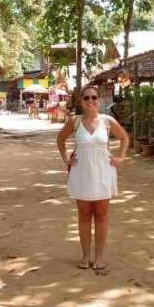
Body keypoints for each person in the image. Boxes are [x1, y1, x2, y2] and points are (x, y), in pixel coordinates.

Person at [56, 86, 129, 270]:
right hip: (81, 172)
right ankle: (85, 256)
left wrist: (121, 157)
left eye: (94, 97)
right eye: (87, 97)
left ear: (98, 99)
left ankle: (99, 257)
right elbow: (60, 139)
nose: (90, 101)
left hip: (103, 172)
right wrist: (66, 158)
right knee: (84, 215)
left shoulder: (107, 121)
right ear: (82, 100)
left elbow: (124, 138)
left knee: (102, 215)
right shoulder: (75, 121)